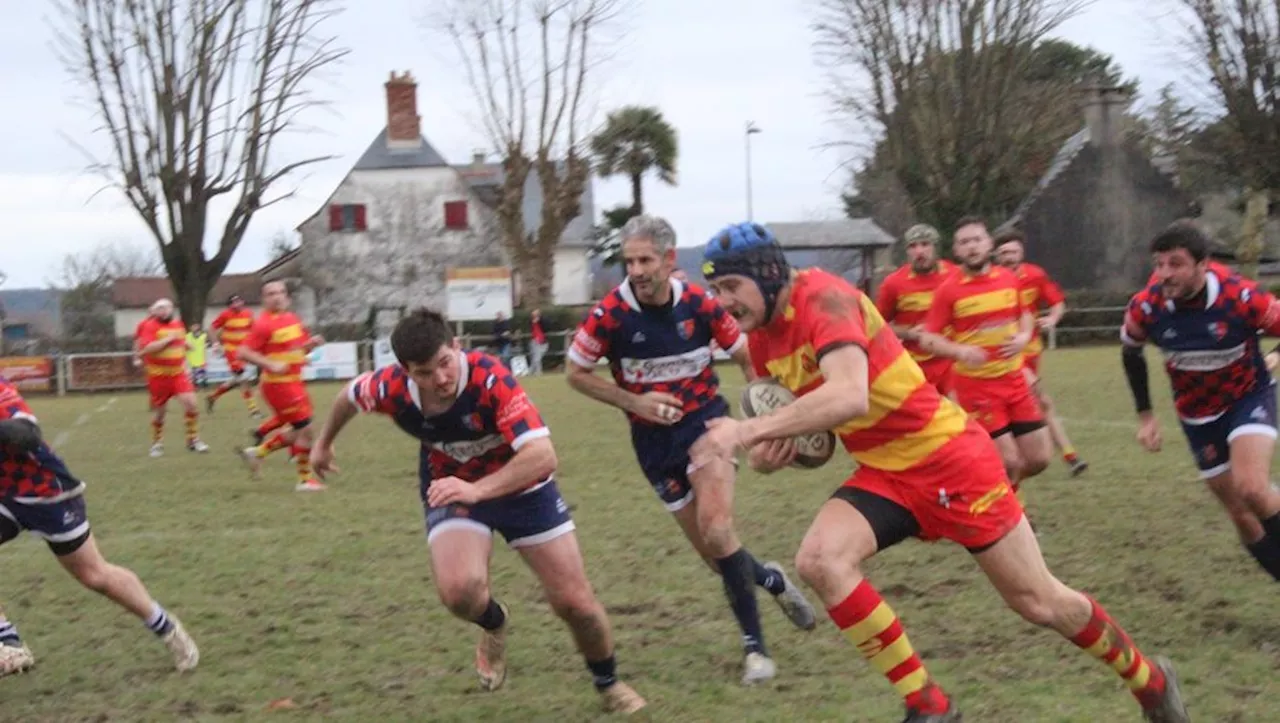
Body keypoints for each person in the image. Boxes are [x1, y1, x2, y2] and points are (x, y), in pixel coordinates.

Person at [688, 222, 1188, 723]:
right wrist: (774, 454)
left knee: (1039, 602)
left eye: (731, 287)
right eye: (715, 290)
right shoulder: (760, 344)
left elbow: (848, 394)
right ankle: (928, 705)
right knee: (820, 560)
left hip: (950, 459)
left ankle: (1151, 681)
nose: (723, 301)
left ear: (769, 273)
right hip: (886, 472)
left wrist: (746, 433)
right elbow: (814, 440)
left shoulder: (826, 299)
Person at [309, 308, 646, 714]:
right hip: (452, 488)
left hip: (524, 489)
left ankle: (608, 683)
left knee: (575, 605)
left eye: (445, 364)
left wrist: (477, 489)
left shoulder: (490, 379)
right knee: (458, 592)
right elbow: (348, 396)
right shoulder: (391, 389)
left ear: (456, 347)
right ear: (405, 371)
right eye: (424, 372)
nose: (440, 379)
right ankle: (493, 622)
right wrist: (323, 444)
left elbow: (542, 456)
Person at [566, 214, 816, 685]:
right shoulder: (610, 314)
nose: (636, 270)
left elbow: (743, 352)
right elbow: (574, 374)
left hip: (707, 427)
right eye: (629, 261)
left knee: (719, 532)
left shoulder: (700, 303)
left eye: (645, 260)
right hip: (652, 446)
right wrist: (632, 400)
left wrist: (765, 415)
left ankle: (756, 653)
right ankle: (771, 581)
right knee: (716, 557)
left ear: (668, 258)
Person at [0, 377, 199, 677]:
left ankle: (167, 628)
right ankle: (8, 640)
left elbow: (27, 434)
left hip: (45, 493)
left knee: (93, 574)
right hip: (4, 495)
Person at [1122, 219, 1280, 582]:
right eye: (1158, 263)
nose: (1164, 273)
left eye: (1175, 263)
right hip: (1196, 414)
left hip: (1248, 396)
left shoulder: (1241, 297)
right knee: (1240, 512)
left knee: (1252, 487)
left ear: (1203, 264)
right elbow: (1130, 352)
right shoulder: (1147, 307)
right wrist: (1146, 416)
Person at [916, 217, 1051, 499]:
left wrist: (1024, 336)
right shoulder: (949, 290)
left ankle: (981, 489)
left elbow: (1025, 315)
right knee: (1009, 461)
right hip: (977, 388)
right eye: (965, 242)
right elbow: (928, 338)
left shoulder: (1008, 279)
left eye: (977, 239)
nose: (972, 247)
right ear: (956, 250)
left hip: (1014, 382)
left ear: (989, 244)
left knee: (1039, 458)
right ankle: (1011, 514)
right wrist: (959, 351)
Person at [994, 229, 1088, 477]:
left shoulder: (1035, 275)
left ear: (1021, 253)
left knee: (1039, 405)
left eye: (1012, 251)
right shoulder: (992, 280)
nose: (1008, 257)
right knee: (1042, 401)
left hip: (1032, 352)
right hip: (1007, 355)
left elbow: (1057, 302)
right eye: (1003, 252)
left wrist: (1053, 319)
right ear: (996, 255)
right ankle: (1070, 455)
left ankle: (1066, 455)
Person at [235, 282, 325, 492]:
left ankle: (257, 453)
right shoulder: (263, 324)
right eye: (271, 294)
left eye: (281, 292)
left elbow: (296, 348)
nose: (277, 297)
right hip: (279, 386)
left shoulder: (291, 319)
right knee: (306, 430)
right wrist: (269, 364)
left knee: (300, 430)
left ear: (287, 297)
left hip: (294, 381)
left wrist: (310, 345)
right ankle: (304, 480)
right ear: (264, 299)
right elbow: (243, 352)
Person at [875, 224, 957, 398]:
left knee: (961, 418)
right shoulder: (894, 283)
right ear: (907, 251)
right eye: (913, 246)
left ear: (936, 248)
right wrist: (909, 333)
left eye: (925, 244)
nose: (919, 251)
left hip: (951, 363)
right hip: (915, 366)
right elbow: (877, 326)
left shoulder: (955, 274)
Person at [134, 299, 209, 457]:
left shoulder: (178, 324)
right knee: (160, 412)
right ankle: (157, 443)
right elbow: (148, 347)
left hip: (178, 374)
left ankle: (193, 439)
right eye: (160, 308)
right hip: (159, 376)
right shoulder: (150, 326)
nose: (164, 310)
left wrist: (187, 346)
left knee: (191, 404)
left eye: (167, 307)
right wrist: (167, 340)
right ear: (155, 311)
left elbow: (181, 341)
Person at [206, 294, 262, 418]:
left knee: (237, 380)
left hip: (244, 351)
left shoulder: (248, 314)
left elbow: (254, 330)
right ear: (230, 305)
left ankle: (213, 397)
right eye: (234, 302)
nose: (237, 304)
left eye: (239, 301)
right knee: (243, 379)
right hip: (232, 352)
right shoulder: (225, 315)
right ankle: (253, 410)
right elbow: (211, 328)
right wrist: (215, 343)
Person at [185, 323, 209, 389]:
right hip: (191, 358)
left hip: (201, 358)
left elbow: (205, 346)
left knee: (203, 373)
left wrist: (205, 357)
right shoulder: (187, 336)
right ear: (191, 327)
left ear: (199, 326)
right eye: (193, 326)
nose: (195, 327)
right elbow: (185, 346)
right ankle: (195, 385)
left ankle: (205, 385)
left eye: (196, 326)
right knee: (194, 374)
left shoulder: (204, 336)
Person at [529, 309, 548, 375]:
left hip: (541, 341)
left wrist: (539, 319)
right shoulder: (532, 322)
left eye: (535, 314)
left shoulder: (542, 321)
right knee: (534, 357)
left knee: (537, 358)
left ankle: (538, 371)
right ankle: (532, 371)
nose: (533, 316)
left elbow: (545, 325)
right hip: (534, 340)